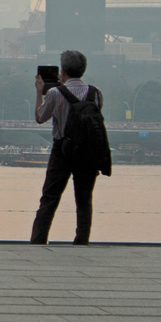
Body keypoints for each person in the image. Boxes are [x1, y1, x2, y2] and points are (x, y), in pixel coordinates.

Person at [31, 49, 103, 245]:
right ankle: (81, 241)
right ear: (83, 70)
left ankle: (38, 240)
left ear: (62, 71)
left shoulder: (55, 93)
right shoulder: (96, 93)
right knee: (84, 200)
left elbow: (40, 117)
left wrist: (40, 91)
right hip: (88, 151)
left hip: (62, 149)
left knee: (50, 198)